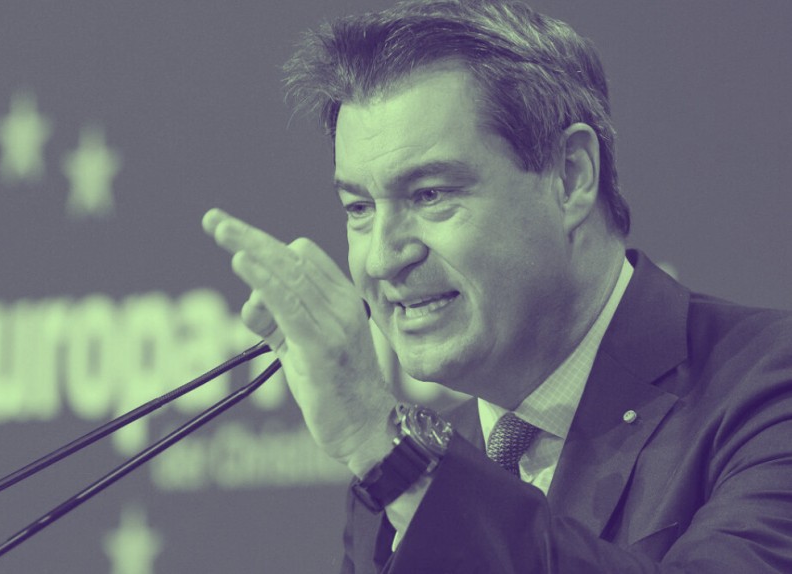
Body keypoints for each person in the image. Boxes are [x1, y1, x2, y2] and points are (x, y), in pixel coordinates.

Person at [202, 0, 792, 571]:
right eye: (359, 208)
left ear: (570, 177)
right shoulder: (427, 467)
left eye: (430, 195)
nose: (382, 259)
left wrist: (390, 451)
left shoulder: (767, 387)